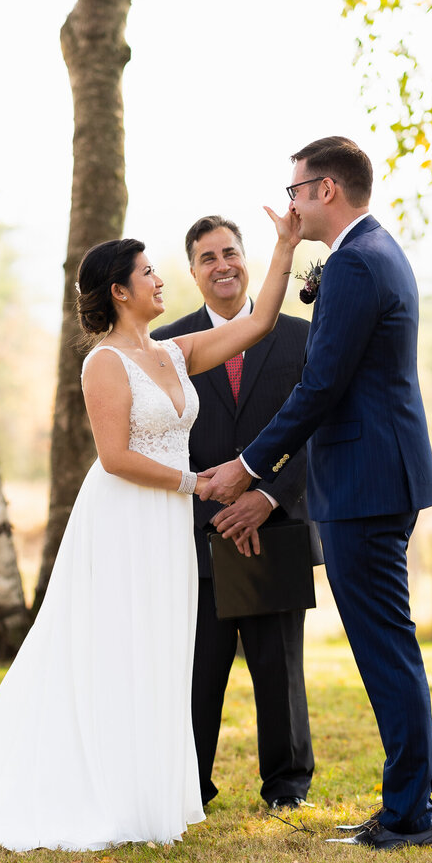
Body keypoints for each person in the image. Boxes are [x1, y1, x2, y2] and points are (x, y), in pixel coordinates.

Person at [0, 207, 300, 853]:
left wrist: (285, 246)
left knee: (159, 648)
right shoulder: (104, 364)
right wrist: (195, 483)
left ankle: (148, 791)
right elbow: (117, 458)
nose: (160, 281)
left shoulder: (174, 354)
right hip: (125, 517)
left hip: (165, 525)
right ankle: (97, 790)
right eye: (149, 273)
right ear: (120, 291)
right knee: (116, 647)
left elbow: (260, 321)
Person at [201, 136, 432, 851]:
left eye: (299, 189)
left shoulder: (355, 266)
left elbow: (320, 385)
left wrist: (249, 464)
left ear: (327, 191)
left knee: (385, 649)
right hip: (379, 475)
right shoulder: (375, 253)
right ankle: (406, 804)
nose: (293, 201)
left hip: (365, 483)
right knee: (387, 646)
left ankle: (408, 815)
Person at [153, 215, 316, 812]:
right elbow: (162, 438)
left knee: (279, 669)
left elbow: (316, 431)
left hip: (276, 524)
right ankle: (189, 787)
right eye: (207, 257)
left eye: (230, 252)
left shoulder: (299, 338)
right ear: (193, 271)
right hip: (197, 529)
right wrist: (215, 500)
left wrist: (266, 497)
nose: (222, 265)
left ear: (247, 259)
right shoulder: (169, 345)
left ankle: (288, 787)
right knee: (198, 673)